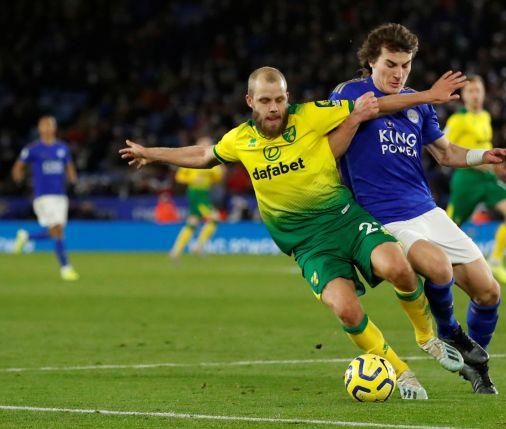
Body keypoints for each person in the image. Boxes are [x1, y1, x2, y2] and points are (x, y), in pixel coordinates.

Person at [120, 66, 469, 400]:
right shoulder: (240, 139)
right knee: (345, 308)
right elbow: (202, 154)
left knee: (397, 266)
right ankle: (400, 371)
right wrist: (151, 153)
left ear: (288, 97)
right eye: (265, 101)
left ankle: (427, 338)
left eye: (279, 100)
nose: (274, 108)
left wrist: (426, 96)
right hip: (307, 243)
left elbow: (374, 104)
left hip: (345, 218)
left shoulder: (312, 114)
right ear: (249, 102)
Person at [329, 23, 506, 394]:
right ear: (370, 62)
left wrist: (482, 155)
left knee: (489, 292)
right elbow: (373, 109)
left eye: (406, 65)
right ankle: (447, 330)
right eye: (390, 65)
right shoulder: (349, 93)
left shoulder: (419, 105)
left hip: (427, 210)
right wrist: (428, 95)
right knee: (436, 266)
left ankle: (475, 365)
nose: (399, 74)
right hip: (383, 217)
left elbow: (446, 153)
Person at [444, 76, 506, 287]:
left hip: (488, 178)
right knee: (448, 228)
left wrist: (496, 165)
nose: (475, 95)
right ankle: (432, 268)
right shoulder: (457, 120)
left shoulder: (485, 116)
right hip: (466, 179)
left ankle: (496, 260)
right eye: (471, 91)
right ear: (464, 96)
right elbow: (442, 146)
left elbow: (485, 145)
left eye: (478, 90)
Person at [12, 115, 79, 281]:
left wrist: (73, 179)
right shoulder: (33, 149)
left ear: (54, 128)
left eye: (50, 125)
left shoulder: (62, 148)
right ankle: (66, 268)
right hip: (43, 197)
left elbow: (69, 166)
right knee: (57, 228)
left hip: (60, 196)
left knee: (57, 231)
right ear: (40, 128)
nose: (48, 128)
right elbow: (18, 166)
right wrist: (18, 179)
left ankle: (26, 237)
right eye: (45, 125)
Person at [169, 136, 225, 259]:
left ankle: (175, 251)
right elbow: (179, 177)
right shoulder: (191, 160)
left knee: (192, 222)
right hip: (196, 192)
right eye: (204, 144)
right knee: (215, 218)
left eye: (209, 144)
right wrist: (193, 179)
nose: (207, 146)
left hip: (204, 192)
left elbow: (218, 178)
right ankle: (198, 247)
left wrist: (213, 175)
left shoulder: (212, 161)